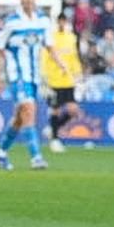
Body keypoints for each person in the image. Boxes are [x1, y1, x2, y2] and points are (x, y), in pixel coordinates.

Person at [0, 0, 52, 170]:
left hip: (34, 77)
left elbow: (50, 46)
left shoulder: (43, 20)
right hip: (17, 76)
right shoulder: (12, 22)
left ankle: (0, 152)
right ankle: (36, 157)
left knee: (20, 117)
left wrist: (62, 65)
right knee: (29, 110)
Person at [42, 10, 83, 153]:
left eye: (64, 21)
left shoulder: (71, 37)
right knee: (55, 110)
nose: (61, 23)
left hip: (68, 80)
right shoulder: (51, 38)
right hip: (54, 80)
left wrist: (78, 72)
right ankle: (54, 139)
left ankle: (53, 129)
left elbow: (74, 56)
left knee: (73, 110)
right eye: (59, 21)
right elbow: (45, 57)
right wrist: (45, 76)